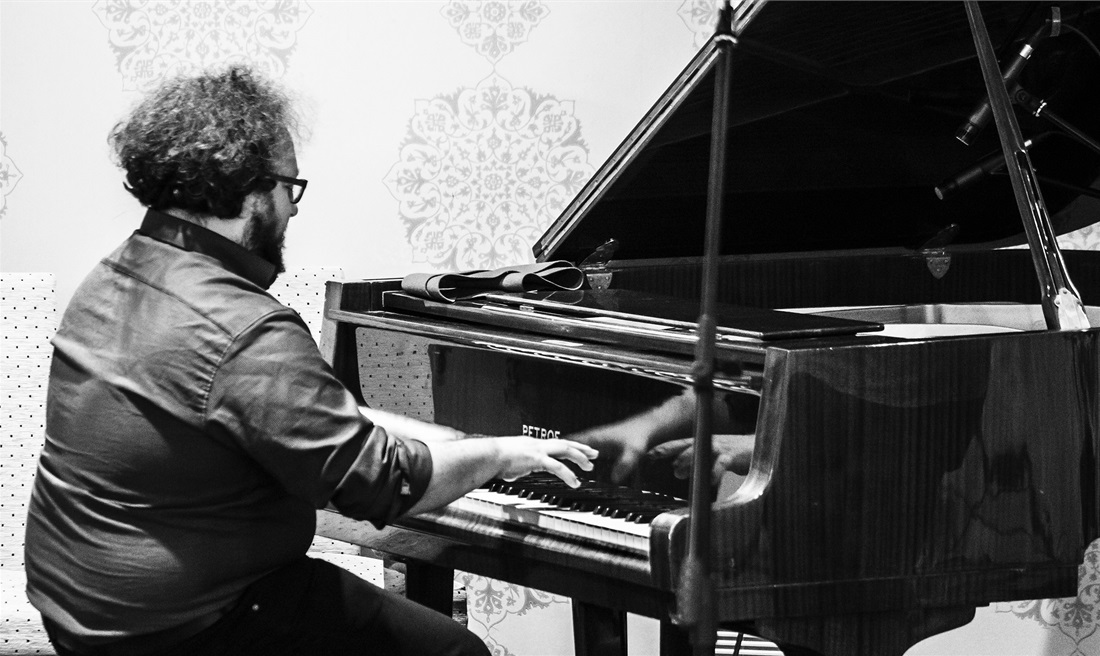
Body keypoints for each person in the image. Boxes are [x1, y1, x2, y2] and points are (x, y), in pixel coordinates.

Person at [23, 66, 596, 656]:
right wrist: (496, 454)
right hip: (189, 625)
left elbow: (291, 416)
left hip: (78, 607)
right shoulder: (242, 326)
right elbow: (383, 485)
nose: (293, 211)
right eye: (289, 188)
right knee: (457, 652)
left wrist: (453, 441)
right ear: (249, 189)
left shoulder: (117, 273)